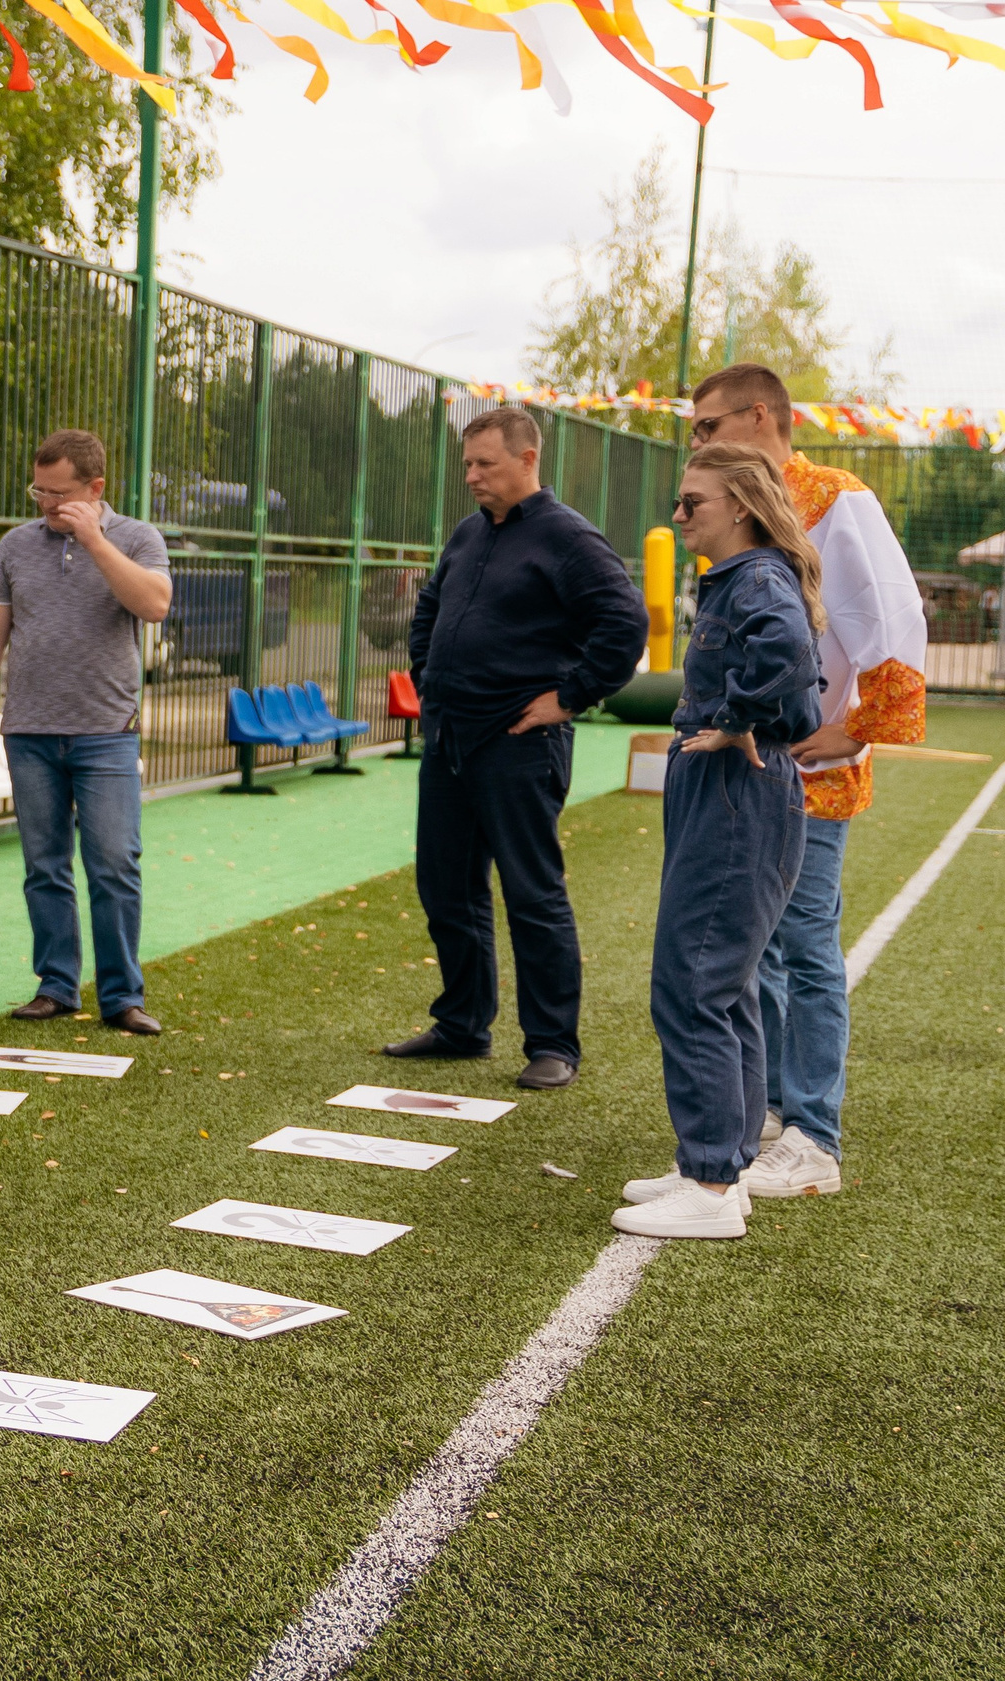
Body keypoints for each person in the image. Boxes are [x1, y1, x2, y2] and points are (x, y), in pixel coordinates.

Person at [681, 362, 926, 1202]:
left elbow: (891, 620)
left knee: (805, 945)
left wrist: (842, 731)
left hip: (805, 765)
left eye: (709, 426)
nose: (699, 442)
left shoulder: (836, 497)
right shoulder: (739, 505)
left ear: (761, 416)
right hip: (751, 763)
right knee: (751, 951)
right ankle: (763, 1116)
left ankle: (812, 1129)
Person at [390, 407, 647, 1089]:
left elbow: (625, 624)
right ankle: (462, 1025)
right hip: (449, 737)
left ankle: (553, 1043)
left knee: (533, 893)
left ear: (528, 459)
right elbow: (429, 609)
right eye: (467, 463)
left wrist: (568, 697)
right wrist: (430, 678)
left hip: (519, 744)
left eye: (486, 464)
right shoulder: (469, 533)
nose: (471, 475)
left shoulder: (569, 538)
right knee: (446, 888)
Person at [614, 444, 825, 1239]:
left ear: (739, 504)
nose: (677, 515)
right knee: (724, 985)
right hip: (736, 787)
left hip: (737, 789)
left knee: (695, 981)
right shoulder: (749, 576)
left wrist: (735, 718)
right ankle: (721, 1166)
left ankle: (707, 1184)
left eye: (691, 502)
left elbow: (789, 657)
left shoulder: (759, 577)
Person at [0, 429, 171, 1035]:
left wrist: (95, 539)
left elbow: (154, 605)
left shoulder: (136, 538)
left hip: (106, 730)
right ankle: (55, 985)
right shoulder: (15, 547)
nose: (45, 504)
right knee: (44, 865)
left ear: (95, 488)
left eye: (58, 493)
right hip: (29, 729)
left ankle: (121, 996)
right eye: (38, 491)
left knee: (113, 862)